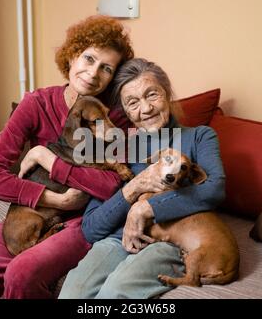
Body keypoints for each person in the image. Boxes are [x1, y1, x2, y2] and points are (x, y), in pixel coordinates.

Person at [0, 15, 134, 299]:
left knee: (21, 275)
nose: (93, 73)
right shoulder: (36, 104)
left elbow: (113, 185)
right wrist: (55, 199)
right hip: (34, 211)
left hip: (82, 221)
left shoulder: (113, 118)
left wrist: (48, 160)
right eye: (89, 59)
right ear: (71, 57)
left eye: (106, 68)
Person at [58, 58, 226, 299]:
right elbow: (91, 227)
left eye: (152, 95)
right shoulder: (116, 148)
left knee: (115, 292)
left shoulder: (200, 136)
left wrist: (144, 208)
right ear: (125, 111)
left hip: (170, 240)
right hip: (116, 238)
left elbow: (214, 189)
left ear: (167, 94)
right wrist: (133, 188)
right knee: (74, 293)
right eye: (133, 102)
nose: (145, 109)